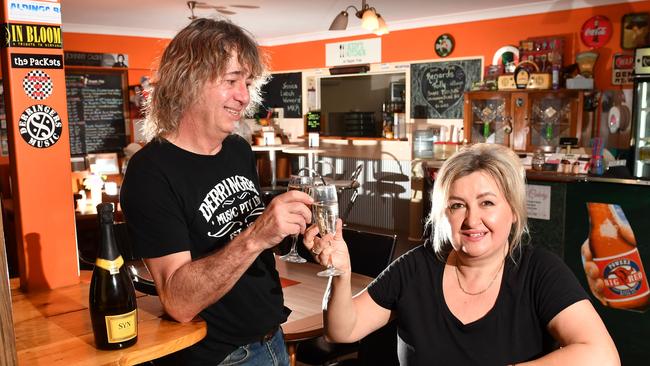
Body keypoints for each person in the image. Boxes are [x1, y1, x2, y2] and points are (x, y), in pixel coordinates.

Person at [304, 143, 619, 365]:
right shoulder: (416, 267)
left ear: (513, 212)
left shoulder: (539, 271)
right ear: (443, 214)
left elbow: (602, 356)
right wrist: (341, 275)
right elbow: (342, 330)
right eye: (457, 206)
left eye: (487, 203)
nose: (471, 220)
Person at [120, 18, 312, 365]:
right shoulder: (150, 172)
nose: (244, 96)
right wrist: (257, 235)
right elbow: (178, 303)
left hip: (274, 340)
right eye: (231, 80)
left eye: (248, 82)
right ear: (188, 82)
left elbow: (240, 234)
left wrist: (290, 236)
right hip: (222, 356)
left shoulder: (237, 149)